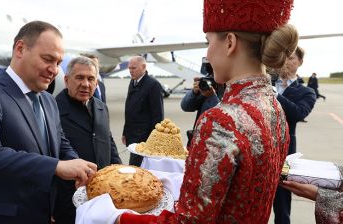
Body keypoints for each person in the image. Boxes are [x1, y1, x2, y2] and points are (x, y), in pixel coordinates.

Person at [77, 0, 296, 222]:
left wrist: (116, 217)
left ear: (230, 42)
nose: (207, 56)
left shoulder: (221, 120)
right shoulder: (275, 108)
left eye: (208, 42)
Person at [0, 21, 97, 224]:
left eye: (58, 62)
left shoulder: (47, 99)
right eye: (48, 59)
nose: (54, 70)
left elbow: (59, 143)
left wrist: (80, 166)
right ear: (20, 49)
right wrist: (56, 166)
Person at [53, 56, 122, 223]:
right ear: (67, 80)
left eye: (91, 78)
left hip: (103, 193)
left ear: (96, 83)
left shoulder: (101, 107)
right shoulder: (53, 109)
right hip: (68, 197)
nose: (85, 84)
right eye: (79, 77)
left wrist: (119, 171)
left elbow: (109, 141)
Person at [272, 46, 317, 224]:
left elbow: (298, 113)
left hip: (285, 152)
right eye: (284, 57)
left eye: (291, 58)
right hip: (256, 147)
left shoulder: (307, 92)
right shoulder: (263, 83)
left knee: (282, 203)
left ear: (300, 63)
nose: (286, 61)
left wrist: (274, 95)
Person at [122, 56, 164, 166]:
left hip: (144, 138)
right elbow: (129, 109)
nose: (131, 71)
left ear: (144, 67)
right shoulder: (133, 82)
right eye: (129, 68)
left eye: (134, 68)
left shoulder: (153, 85)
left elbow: (158, 116)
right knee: (134, 166)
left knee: (137, 168)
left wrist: (153, 139)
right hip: (132, 135)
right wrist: (125, 132)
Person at [181, 75, 220, 147]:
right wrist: (194, 92)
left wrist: (212, 97)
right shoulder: (206, 85)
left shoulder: (230, 87)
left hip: (216, 141)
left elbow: (220, 117)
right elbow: (186, 107)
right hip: (199, 140)